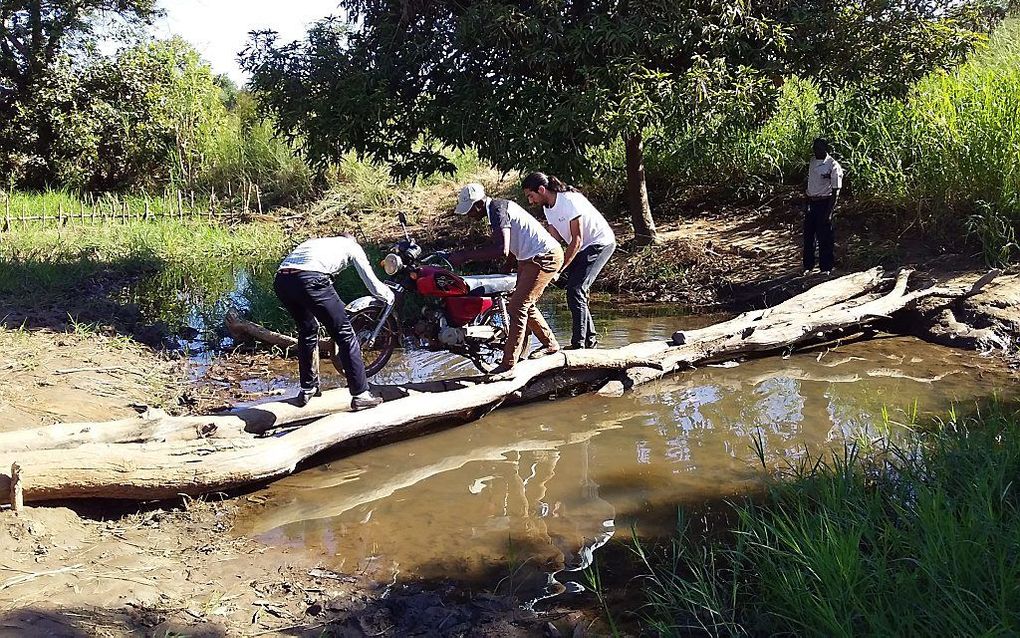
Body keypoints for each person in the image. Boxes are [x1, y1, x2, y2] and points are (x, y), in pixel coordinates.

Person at [446, 183, 564, 377]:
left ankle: (509, 364)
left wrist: (465, 255)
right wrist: (506, 270)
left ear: (477, 205)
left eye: (469, 211)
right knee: (524, 303)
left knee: (518, 306)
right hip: (528, 258)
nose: (469, 216)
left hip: (544, 256)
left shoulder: (497, 210)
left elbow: (501, 248)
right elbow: (512, 243)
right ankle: (550, 345)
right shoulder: (497, 208)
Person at [274, 234, 393, 409]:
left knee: (307, 330)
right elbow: (371, 282)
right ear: (352, 240)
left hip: (282, 281)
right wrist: (387, 296)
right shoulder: (351, 246)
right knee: (345, 333)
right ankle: (361, 394)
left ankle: (308, 388)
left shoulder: (316, 243)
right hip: (310, 278)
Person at [521, 172, 616, 350]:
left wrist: (559, 269)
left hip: (600, 243)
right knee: (574, 289)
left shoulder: (568, 201)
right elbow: (553, 242)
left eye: (531, 196)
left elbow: (577, 240)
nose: (530, 201)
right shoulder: (548, 209)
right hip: (582, 248)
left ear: (541, 190)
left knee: (576, 290)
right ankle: (590, 341)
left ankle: (578, 345)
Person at [803, 137, 844, 275]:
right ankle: (808, 266)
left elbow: (835, 190)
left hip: (824, 202)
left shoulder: (833, 166)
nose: (815, 150)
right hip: (811, 202)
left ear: (825, 149)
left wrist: (830, 211)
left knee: (825, 237)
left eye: (819, 148)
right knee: (808, 236)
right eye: (814, 147)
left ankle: (826, 268)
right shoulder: (813, 161)